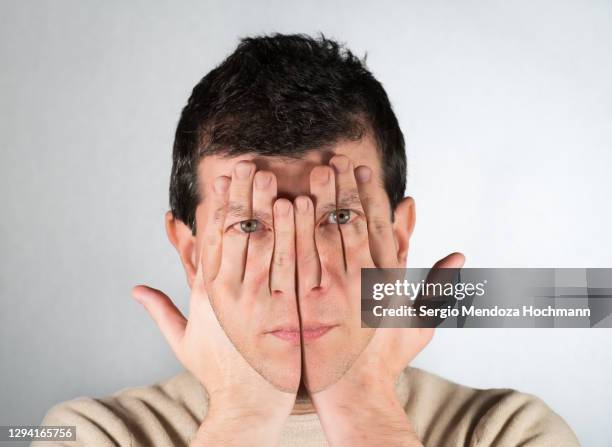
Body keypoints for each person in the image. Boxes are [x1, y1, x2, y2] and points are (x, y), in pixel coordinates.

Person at [36, 33, 580, 446]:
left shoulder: (511, 432)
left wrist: (364, 404)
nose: (299, 270)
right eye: (250, 225)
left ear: (401, 239)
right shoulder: (86, 434)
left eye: (340, 219)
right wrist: (241, 413)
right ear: (191, 253)